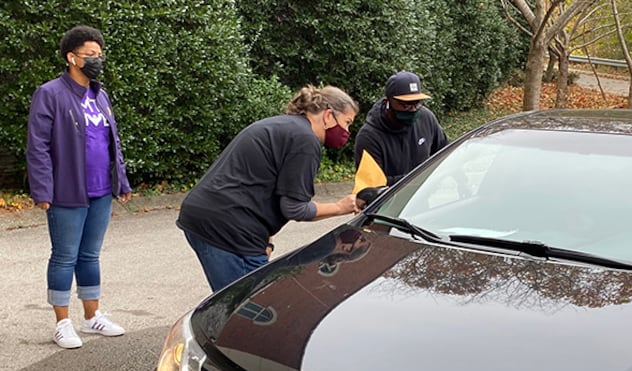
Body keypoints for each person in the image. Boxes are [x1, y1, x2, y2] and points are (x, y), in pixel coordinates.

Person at [177, 85, 360, 292]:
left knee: (240, 301)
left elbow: (261, 185)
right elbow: (295, 208)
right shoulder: (305, 140)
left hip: (209, 217)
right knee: (246, 305)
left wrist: (267, 240)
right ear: (328, 116)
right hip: (227, 228)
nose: (347, 132)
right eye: (347, 123)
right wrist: (340, 207)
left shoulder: (283, 126)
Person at [26, 25, 132, 349]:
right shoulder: (50, 94)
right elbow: (38, 145)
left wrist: (121, 181)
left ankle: (92, 316)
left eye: (100, 55)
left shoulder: (100, 95)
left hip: (100, 190)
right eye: (91, 55)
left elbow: (112, 141)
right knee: (64, 257)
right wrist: (43, 189)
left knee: (90, 255)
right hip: (66, 191)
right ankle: (62, 323)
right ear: (72, 58)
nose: (98, 60)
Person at [353, 71, 448, 193]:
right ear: (388, 102)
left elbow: (444, 154)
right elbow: (371, 186)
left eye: (417, 103)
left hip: (421, 199)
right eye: (405, 105)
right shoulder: (369, 136)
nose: (413, 110)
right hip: (386, 206)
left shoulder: (426, 117)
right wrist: (419, 178)